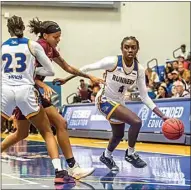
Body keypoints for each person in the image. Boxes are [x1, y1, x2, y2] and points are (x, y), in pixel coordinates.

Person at [1, 17, 102, 179]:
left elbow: (67, 67)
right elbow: (25, 74)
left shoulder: (50, 49)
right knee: (53, 126)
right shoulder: (37, 46)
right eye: (55, 37)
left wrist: (88, 76)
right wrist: (43, 85)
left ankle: (71, 167)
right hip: (29, 90)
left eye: (59, 36)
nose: (58, 39)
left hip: (21, 91)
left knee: (23, 133)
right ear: (45, 36)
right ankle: (71, 168)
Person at [53, 36, 169, 170]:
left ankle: (106, 156)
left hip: (119, 102)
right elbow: (86, 68)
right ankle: (130, 153)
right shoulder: (113, 61)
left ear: (137, 50)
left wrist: (162, 115)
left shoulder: (139, 70)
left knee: (118, 135)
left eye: (133, 47)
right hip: (104, 100)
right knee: (136, 121)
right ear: (122, 49)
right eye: (127, 47)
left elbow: (144, 96)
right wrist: (66, 79)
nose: (130, 50)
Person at [1, 15, 74, 184]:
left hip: (5, 90)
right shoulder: (31, 45)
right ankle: (60, 172)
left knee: (20, 132)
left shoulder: (2, 46)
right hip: (25, 91)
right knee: (47, 131)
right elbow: (50, 70)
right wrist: (30, 70)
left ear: (9, 30)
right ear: (22, 29)